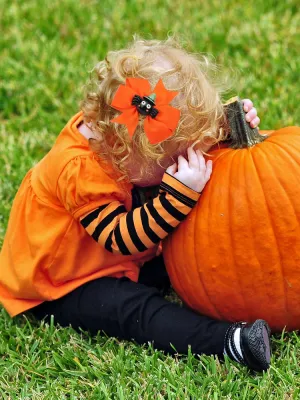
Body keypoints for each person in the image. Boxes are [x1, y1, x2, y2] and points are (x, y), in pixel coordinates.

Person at [0, 37, 270, 372]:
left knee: (186, 256)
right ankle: (226, 342)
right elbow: (120, 240)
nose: (180, 164)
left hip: (124, 261)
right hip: (63, 283)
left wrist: (230, 126)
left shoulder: (126, 136)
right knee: (133, 310)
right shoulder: (78, 170)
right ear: (129, 151)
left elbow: (178, 133)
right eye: (171, 162)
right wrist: (177, 196)